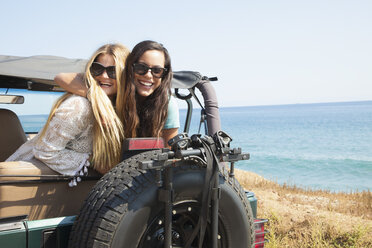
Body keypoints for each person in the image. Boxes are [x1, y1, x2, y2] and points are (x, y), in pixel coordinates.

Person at [7, 43, 130, 183]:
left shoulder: (122, 111)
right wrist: (94, 162)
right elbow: (45, 151)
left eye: (112, 71)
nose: (103, 76)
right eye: (97, 69)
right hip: (20, 183)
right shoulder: (79, 106)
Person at [55, 40, 180, 145]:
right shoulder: (118, 90)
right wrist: (99, 101)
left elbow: (169, 151)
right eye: (141, 68)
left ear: (164, 74)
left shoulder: (167, 105)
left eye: (157, 70)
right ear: (130, 68)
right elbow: (61, 77)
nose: (148, 75)